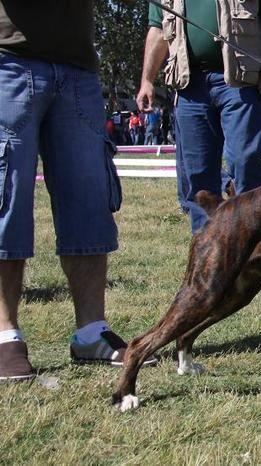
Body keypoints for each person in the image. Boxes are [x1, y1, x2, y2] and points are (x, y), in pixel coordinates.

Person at [0, 1, 156, 381]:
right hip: (8, 59)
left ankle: (91, 332)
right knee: (8, 196)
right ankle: (5, 335)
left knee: (89, 200)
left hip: (78, 66)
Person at [138, 0, 261, 232]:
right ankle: (207, 246)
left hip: (238, 81)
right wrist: (147, 79)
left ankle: (254, 243)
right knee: (198, 173)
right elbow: (157, 30)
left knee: (244, 161)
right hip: (189, 85)